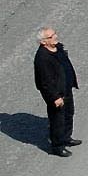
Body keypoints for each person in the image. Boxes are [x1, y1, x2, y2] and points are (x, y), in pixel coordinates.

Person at [34, 24, 78, 155]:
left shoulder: (57, 48)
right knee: (57, 119)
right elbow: (45, 82)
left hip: (66, 88)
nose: (55, 37)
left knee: (69, 113)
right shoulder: (42, 58)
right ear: (43, 41)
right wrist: (55, 97)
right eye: (51, 36)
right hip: (56, 94)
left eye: (54, 34)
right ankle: (57, 146)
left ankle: (66, 138)